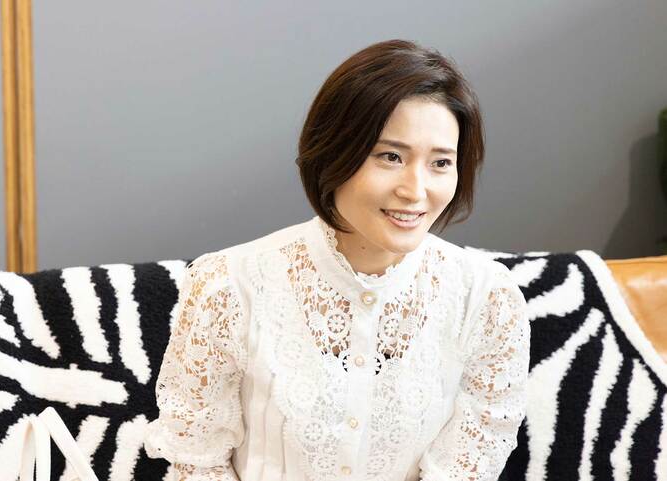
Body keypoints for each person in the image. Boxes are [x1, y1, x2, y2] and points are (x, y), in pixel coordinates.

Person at [143, 39, 530, 481]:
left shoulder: (487, 299)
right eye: (391, 156)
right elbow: (197, 460)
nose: (415, 190)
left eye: (440, 163)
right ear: (333, 152)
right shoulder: (228, 286)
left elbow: (470, 462)